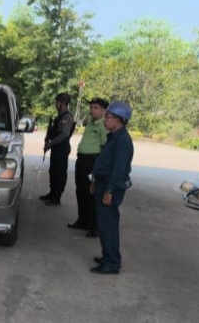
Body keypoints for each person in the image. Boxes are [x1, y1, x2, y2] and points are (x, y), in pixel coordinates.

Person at [90, 101, 134, 275]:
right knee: (104, 224)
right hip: (103, 183)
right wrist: (95, 179)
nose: (105, 120)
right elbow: (105, 161)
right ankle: (108, 256)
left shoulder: (123, 141)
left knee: (108, 225)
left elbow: (119, 169)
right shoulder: (114, 137)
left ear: (119, 119)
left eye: (107, 117)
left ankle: (112, 263)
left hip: (110, 186)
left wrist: (109, 190)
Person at [69, 97, 109, 238]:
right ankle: (82, 220)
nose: (92, 110)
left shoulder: (104, 125)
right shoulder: (91, 122)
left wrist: (98, 168)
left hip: (93, 161)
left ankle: (94, 226)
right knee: (80, 191)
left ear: (104, 111)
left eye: (96, 108)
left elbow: (105, 149)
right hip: (82, 160)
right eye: (91, 107)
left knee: (91, 194)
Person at [40, 92, 75, 206]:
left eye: (57, 102)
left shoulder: (67, 116)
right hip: (56, 147)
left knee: (59, 172)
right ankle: (52, 192)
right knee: (53, 171)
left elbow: (64, 134)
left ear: (63, 103)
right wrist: (48, 140)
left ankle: (57, 197)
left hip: (62, 147)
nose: (56, 104)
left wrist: (51, 143)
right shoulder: (59, 116)